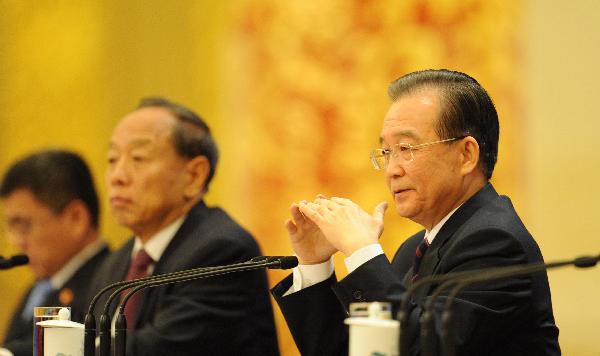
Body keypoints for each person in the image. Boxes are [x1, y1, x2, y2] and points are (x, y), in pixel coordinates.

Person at [272, 69, 560, 356]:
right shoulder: (412, 251)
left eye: (406, 148)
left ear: (466, 155)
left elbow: (425, 349)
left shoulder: (496, 243)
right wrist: (315, 265)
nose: (392, 170)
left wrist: (361, 251)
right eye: (387, 152)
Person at [88, 97, 279, 356]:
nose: (118, 176)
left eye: (138, 158)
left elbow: (156, 351)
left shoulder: (223, 253)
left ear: (194, 175)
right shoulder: (115, 264)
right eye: (112, 159)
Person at [0, 149, 110, 356]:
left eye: (23, 225)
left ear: (76, 219)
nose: (15, 241)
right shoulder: (43, 285)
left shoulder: (108, 283)